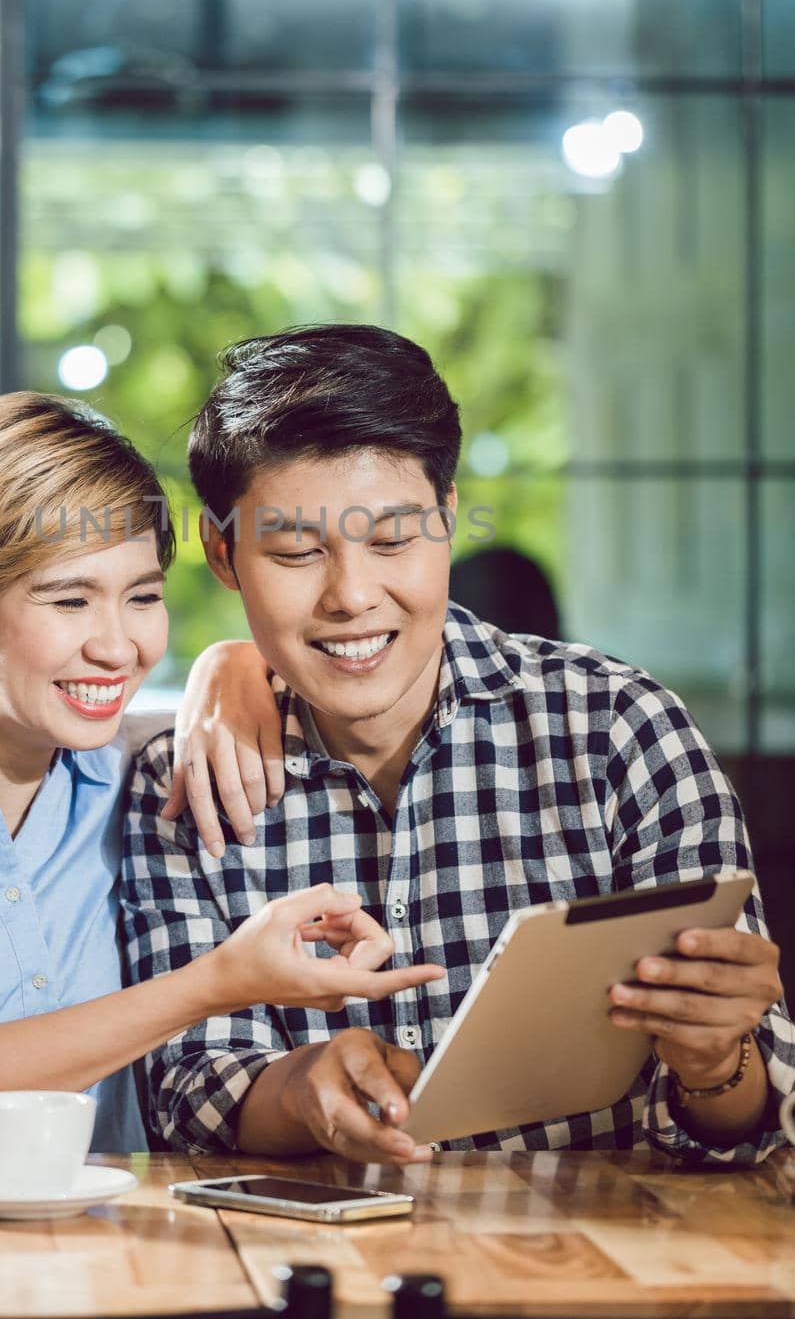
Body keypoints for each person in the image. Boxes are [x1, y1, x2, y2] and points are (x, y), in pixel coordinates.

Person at [122, 323, 795, 1167]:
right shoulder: (184, 784)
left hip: (609, 1257)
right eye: (296, 551)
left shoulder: (619, 730)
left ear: (446, 520)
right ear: (222, 553)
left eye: (394, 540)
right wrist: (302, 1090)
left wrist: (712, 1060)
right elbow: (188, 1087)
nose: (352, 596)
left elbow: (747, 1116)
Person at [0, 391, 441, 1159]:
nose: (119, 647)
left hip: (104, 1258)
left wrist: (232, 661)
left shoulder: (135, 768)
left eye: (142, 597)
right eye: (70, 599)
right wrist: (219, 981)